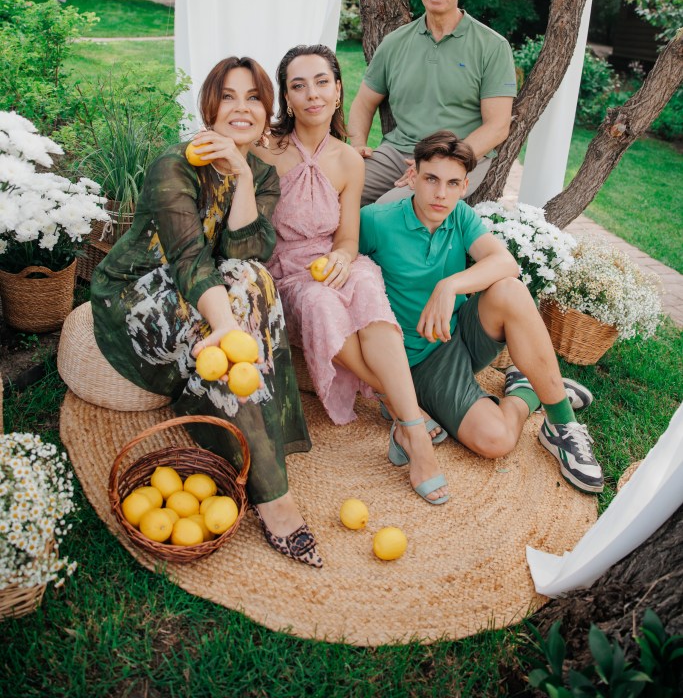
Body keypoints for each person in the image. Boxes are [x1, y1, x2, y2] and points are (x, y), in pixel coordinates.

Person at [90, 56, 323, 567]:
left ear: (267, 110)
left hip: (213, 286)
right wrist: (225, 326)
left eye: (254, 97)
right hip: (139, 291)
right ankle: (273, 495)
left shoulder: (262, 174)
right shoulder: (174, 165)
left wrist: (242, 176)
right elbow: (188, 260)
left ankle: (250, 434)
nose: (242, 108)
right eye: (229, 97)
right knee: (240, 301)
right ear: (209, 107)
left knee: (255, 279)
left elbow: (247, 252)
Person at [358, 130, 604, 495]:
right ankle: (528, 390)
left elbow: (506, 263)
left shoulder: (460, 214)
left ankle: (561, 425)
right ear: (412, 176)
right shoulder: (375, 221)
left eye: (452, 184)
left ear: (464, 187)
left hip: (461, 332)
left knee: (510, 290)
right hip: (419, 362)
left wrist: (449, 286)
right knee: (496, 439)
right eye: (431, 179)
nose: (440, 194)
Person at [255, 44, 449, 505]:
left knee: (365, 282)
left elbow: (347, 237)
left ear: (339, 90)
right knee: (321, 302)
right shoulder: (266, 152)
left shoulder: (349, 160)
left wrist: (344, 257)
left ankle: (409, 431)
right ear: (287, 97)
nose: (312, 94)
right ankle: (407, 415)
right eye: (299, 86)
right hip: (286, 270)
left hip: (333, 258)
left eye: (322, 82)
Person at [347, 0, 518, 205]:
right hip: (397, 153)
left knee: (389, 210)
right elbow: (363, 102)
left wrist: (441, 163)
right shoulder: (395, 42)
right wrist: (357, 145)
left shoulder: (492, 46)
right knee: (331, 190)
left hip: (456, 158)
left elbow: (497, 127)